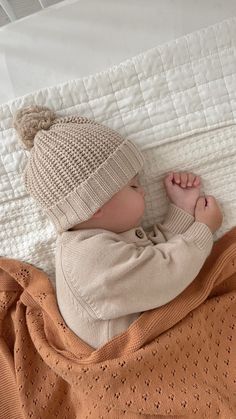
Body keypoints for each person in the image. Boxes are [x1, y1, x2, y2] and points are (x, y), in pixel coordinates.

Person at [13, 105, 223, 349]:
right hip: (127, 362)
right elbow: (162, 275)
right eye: (134, 186)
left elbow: (148, 260)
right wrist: (203, 231)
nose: (143, 191)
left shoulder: (97, 241)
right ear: (94, 206)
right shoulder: (87, 258)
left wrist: (182, 211)